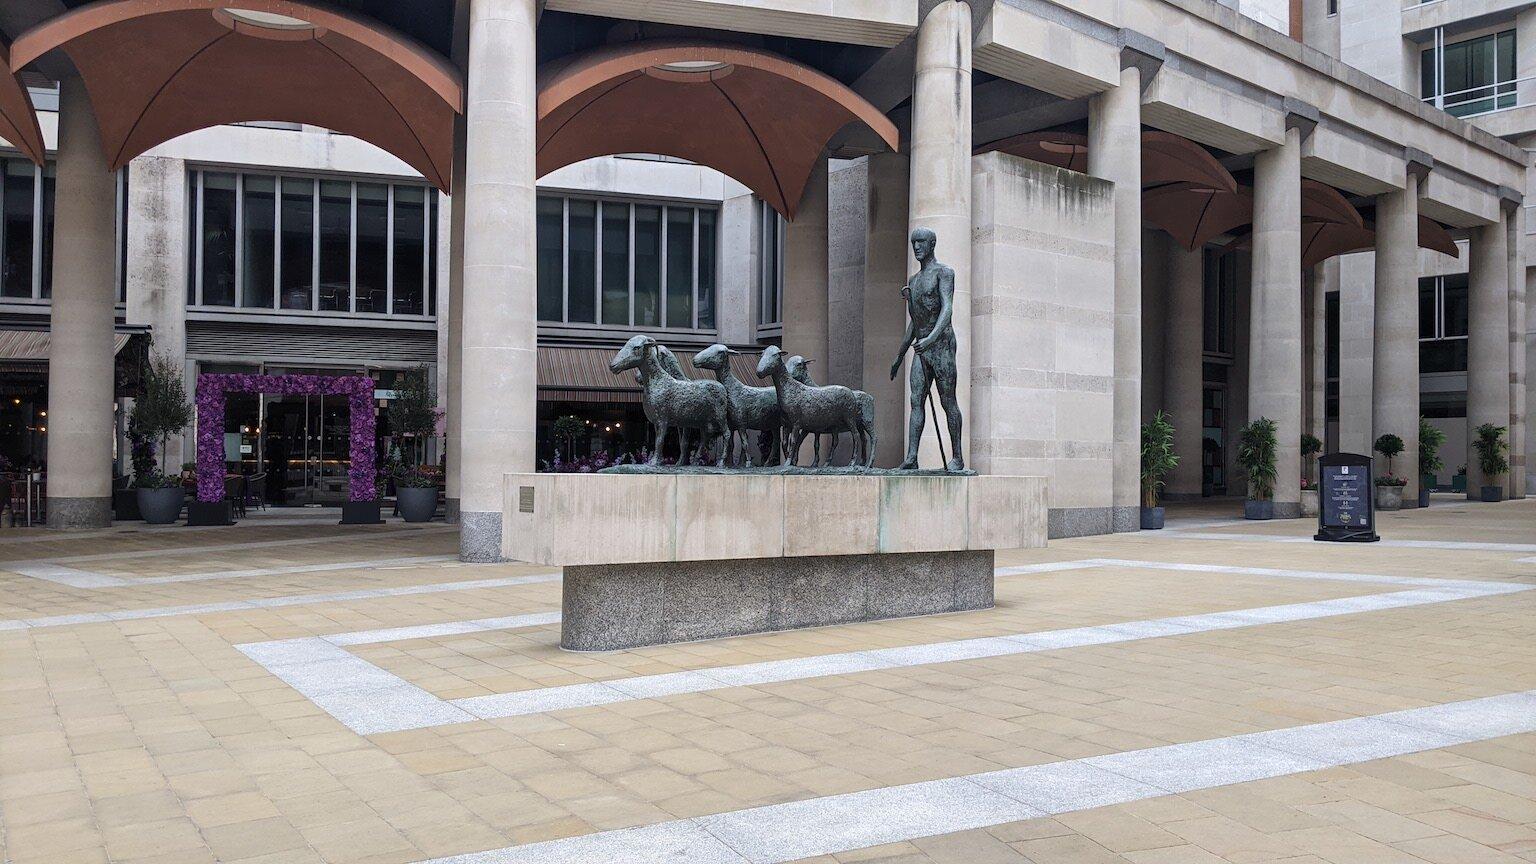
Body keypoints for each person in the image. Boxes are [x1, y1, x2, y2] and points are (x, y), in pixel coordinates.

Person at [890, 227, 964, 471]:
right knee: (916, 400)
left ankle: (957, 457)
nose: (916, 247)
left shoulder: (944, 273)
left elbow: (947, 310)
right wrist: (900, 356)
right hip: (921, 348)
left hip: (941, 346)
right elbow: (915, 322)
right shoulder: (913, 281)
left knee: (947, 401)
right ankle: (912, 457)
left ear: (932, 244)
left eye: (921, 242)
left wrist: (931, 339)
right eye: (913, 243)